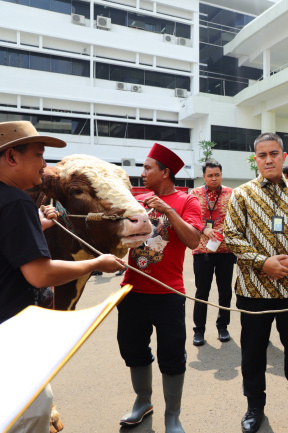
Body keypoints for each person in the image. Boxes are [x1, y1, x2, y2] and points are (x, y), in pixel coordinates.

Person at [0, 121, 124, 433]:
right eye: (39, 155)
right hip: (12, 331)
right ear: (11, 157)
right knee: (30, 413)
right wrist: (96, 263)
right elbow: (40, 274)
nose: (44, 165)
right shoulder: (16, 202)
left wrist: (35, 228)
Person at [224, 132, 288, 433]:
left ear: (283, 156)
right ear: (256, 159)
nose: (269, 159)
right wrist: (261, 262)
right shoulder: (241, 195)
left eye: (274, 153)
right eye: (262, 155)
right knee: (253, 350)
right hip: (254, 289)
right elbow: (231, 236)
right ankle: (255, 406)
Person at [117, 143, 202, 433]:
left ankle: (172, 416)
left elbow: (193, 241)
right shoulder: (134, 200)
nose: (142, 173)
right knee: (132, 349)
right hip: (132, 291)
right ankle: (143, 401)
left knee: (172, 356)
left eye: (147, 168)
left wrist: (167, 209)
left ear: (165, 173)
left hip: (168, 294)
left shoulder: (187, 201)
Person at [190, 159, 236, 346]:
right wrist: (203, 228)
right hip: (202, 250)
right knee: (202, 292)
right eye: (210, 175)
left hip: (225, 250)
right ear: (204, 176)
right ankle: (198, 330)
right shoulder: (195, 193)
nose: (214, 178)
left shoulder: (231, 193)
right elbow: (190, 217)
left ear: (221, 174)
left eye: (217, 174)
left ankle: (222, 326)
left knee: (225, 292)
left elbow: (237, 218)